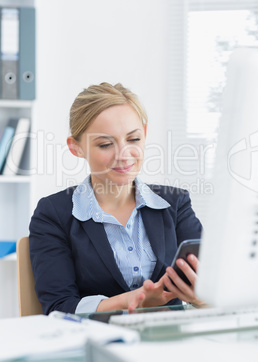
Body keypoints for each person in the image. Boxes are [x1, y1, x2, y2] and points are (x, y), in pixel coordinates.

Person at [29, 82, 203, 315]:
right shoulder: (53, 214)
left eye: (133, 140)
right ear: (76, 148)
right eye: (105, 144)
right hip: (95, 343)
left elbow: (215, 285)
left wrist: (202, 297)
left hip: (169, 342)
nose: (124, 155)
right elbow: (59, 307)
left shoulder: (176, 203)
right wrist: (134, 301)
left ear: (145, 134)